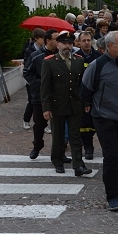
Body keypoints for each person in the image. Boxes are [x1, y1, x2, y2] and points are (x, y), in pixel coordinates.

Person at [80, 31, 118, 211]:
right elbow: (85, 90)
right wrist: (93, 106)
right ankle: (112, 195)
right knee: (111, 155)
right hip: (104, 117)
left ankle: (116, 185)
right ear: (110, 46)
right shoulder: (97, 65)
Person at [40, 31, 91, 176]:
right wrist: (46, 107)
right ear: (58, 44)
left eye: (69, 43)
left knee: (75, 136)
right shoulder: (49, 62)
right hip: (57, 105)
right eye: (64, 43)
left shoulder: (78, 60)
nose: (67, 46)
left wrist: (86, 102)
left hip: (75, 104)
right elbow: (45, 87)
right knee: (58, 135)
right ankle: (58, 161)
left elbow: (82, 84)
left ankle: (78, 165)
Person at [23, 29, 66, 160]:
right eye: (56, 39)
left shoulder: (62, 55)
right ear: (48, 41)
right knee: (39, 124)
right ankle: (37, 146)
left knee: (59, 126)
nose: (59, 42)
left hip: (58, 97)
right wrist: (42, 84)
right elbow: (27, 73)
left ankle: (60, 152)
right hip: (40, 97)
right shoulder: (36, 56)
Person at [76, 30, 102, 159]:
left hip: (97, 95)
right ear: (79, 42)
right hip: (82, 97)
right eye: (84, 41)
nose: (87, 43)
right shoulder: (76, 57)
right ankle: (88, 148)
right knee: (84, 124)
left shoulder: (98, 56)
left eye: (88, 40)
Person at [22, 28, 45, 130]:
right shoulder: (29, 50)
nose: (44, 40)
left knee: (43, 101)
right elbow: (27, 65)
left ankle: (44, 123)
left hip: (42, 78)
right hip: (32, 80)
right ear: (36, 39)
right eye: (42, 38)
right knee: (32, 101)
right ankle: (26, 120)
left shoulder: (45, 49)